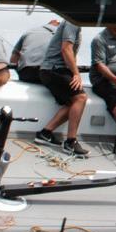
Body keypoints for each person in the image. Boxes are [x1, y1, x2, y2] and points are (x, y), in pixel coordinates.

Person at [35, 20, 90, 156]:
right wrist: (76, 74)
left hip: (52, 70)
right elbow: (66, 49)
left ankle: (45, 133)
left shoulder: (74, 23)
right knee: (81, 98)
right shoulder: (73, 22)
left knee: (73, 103)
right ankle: (70, 142)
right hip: (54, 69)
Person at [10, 19, 58, 84]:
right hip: (47, 72)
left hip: (26, 72)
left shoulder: (29, 31)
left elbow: (15, 55)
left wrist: (17, 70)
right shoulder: (60, 33)